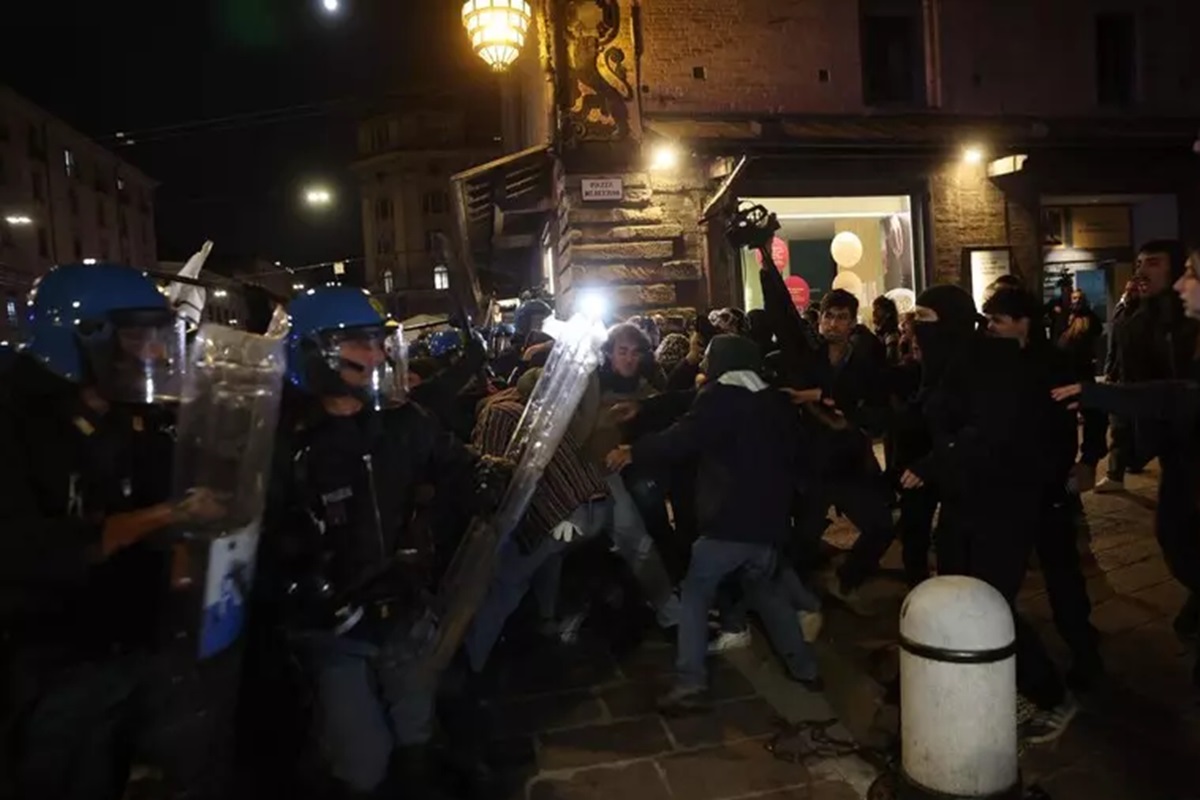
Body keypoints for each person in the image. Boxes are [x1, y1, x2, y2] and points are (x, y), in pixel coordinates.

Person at [256, 286, 506, 798]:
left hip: (405, 610)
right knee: (362, 761)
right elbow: (257, 537)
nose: (374, 356)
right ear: (313, 351)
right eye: (358, 342)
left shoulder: (403, 422)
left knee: (417, 734)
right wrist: (297, 578)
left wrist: (485, 478)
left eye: (378, 341)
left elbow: (454, 464)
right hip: (332, 629)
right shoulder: (282, 443)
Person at [0, 262, 226, 800]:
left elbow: (167, 497)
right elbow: (24, 549)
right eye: (138, 336)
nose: (158, 352)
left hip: (134, 641)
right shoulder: (14, 423)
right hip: (49, 659)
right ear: (83, 336)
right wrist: (160, 517)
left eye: (159, 336)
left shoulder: (132, 417)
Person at [607, 335, 819, 713]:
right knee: (767, 592)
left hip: (730, 521)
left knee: (695, 592)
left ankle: (690, 681)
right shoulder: (773, 400)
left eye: (708, 358)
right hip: (770, 521)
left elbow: (681, 438)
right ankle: (805, 669)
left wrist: (633, 451)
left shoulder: (720, 399)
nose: (704, 365)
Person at [902, 284, 1077, 743]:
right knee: (959, 593)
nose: (918, 326)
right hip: (964, 498)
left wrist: (932, 465)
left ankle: (1049, 693)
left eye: (927, 317)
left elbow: (990, 430)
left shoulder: (990, 363)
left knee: (990, 601)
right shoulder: (945, 365)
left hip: (1005, 501)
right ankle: (984, 681)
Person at [1053, 248, 1200, 661]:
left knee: (1181, 538)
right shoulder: (1142, 317)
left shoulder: (1182, 328)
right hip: (1176, 445)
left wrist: (1099, 394)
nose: (1181, 282)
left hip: (1187, 446)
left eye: (1190, 273)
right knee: (1175, 536)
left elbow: (1180, 395)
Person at [984, 286, 1102, 689]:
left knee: (1062, 572)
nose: (990, 328)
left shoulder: (1055, 362)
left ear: (1023, 322)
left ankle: (1084, 652)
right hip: (1007, 486)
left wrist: (1088, 459)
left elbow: (1091, 408)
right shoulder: (992, 362)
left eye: (998, 320)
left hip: (1048, 484)